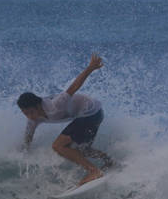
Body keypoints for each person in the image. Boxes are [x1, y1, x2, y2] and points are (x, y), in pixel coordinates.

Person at [17, 54, 113, 186]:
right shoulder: (33, 120)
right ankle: (109, 161)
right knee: (81, 150)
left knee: (58, 146)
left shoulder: (54, 105)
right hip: (93, 114)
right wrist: (24, 153)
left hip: (90, 112)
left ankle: (94, 171)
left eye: (31, 112)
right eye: (25, 113)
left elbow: (73, 87)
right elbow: (28, 138)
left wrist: (90, 68)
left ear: (38, 106)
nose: (29, 116)